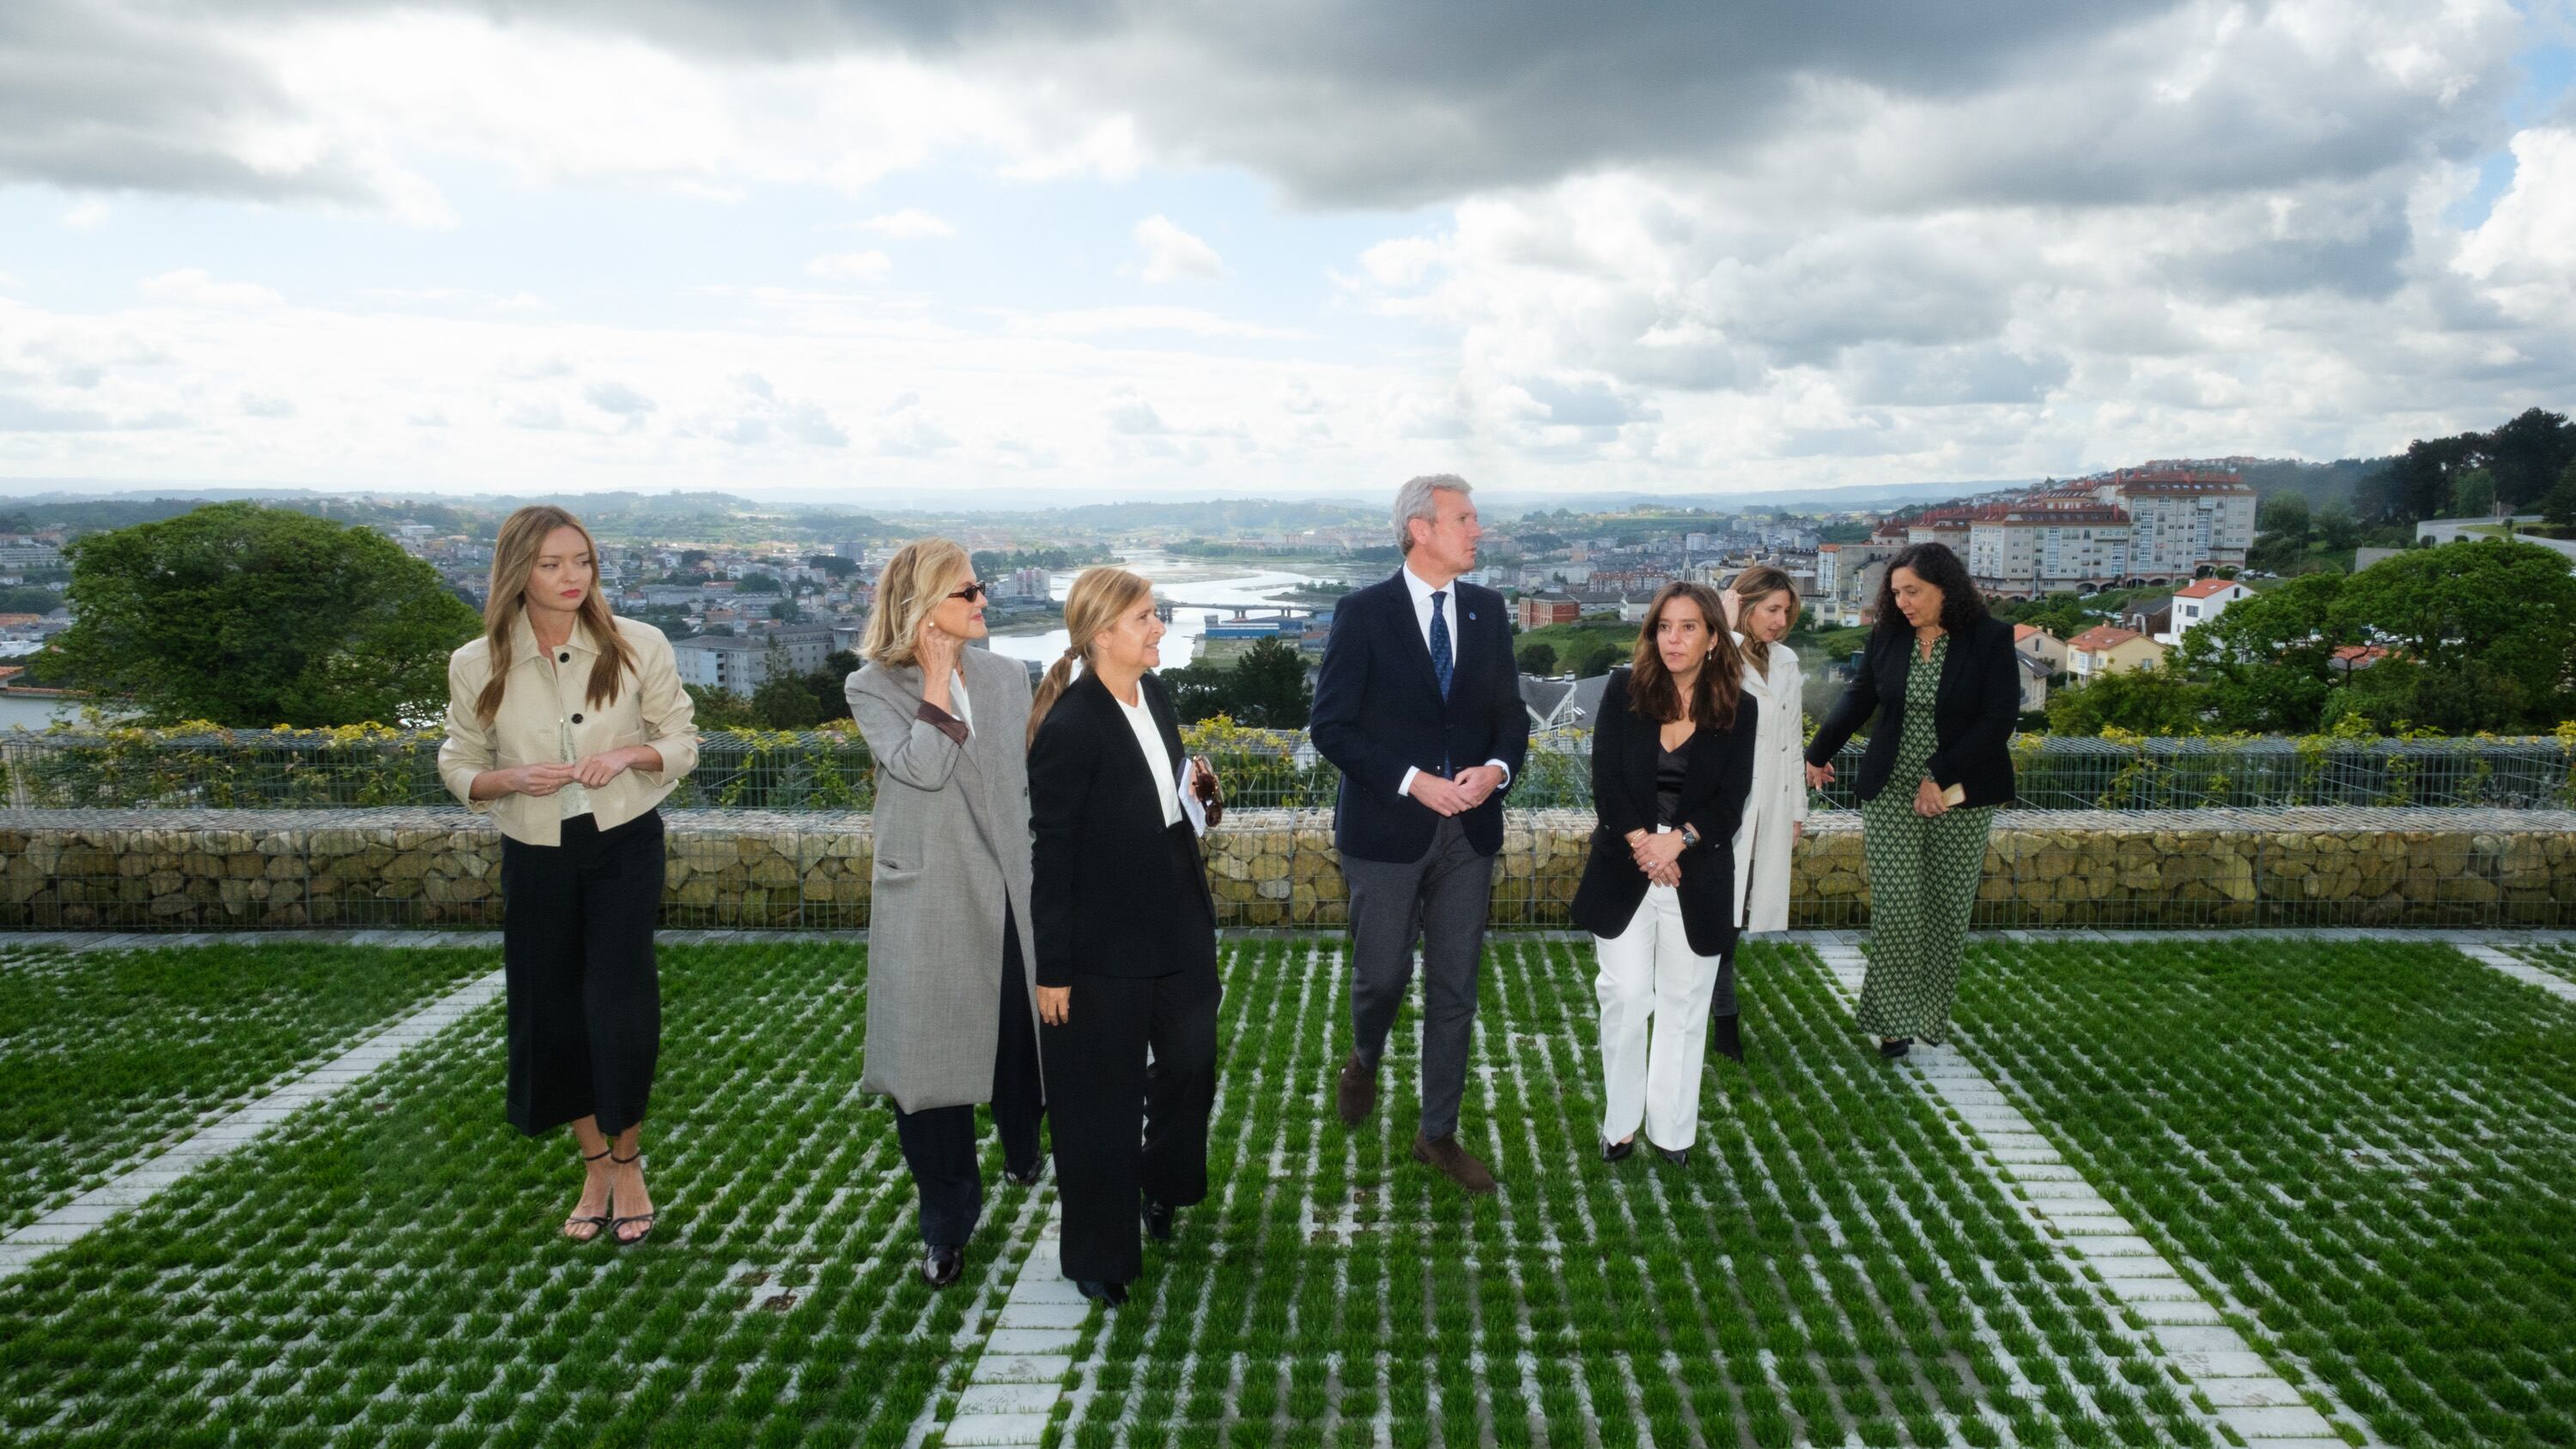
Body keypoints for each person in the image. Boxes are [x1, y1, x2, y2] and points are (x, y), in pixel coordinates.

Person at [439, 504, 699, 1246]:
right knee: (551, 1008)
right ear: (518, 571)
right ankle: (593, 1165)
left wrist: (627, 755)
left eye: (581, 560)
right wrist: (507, 779)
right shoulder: (475, 661)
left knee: (619, 1005)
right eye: (552, 564)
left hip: (624, 842)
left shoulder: (638, 644)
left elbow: (680, 737)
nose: (570, 577)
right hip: (534, 846)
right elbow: (458, 758)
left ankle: (629, 1161)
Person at [1309, 473, 1529, 1194]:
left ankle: (1437, 1133)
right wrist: (1411, 779)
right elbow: (1330, 726)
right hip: (1385, 831)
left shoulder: (1490, 611)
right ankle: (1364, 1057)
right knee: (1382, 977)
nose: (1478, 530)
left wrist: (1495, 769)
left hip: (1469, 834)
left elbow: (1510, 716)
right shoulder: (1362, 612)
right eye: (1465, 518)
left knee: (1454, 987)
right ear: (1421, 529)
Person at [846, 539, 1045, 1288]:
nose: (983, 601)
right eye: (968, 592)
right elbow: (923, 769)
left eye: (981, 587)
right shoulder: (871, 687)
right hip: (928, 890)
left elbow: (1019, 779)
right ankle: (947, 1222)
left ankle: (1024, 1148)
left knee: (1016, 1037)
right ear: (925, 604)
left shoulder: (1005, 676)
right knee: (930, 1073)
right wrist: (934, 680)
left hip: (1007, 883)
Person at [1027, 568, 1224, 1306]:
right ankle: (1097, 1251)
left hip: (1177, 923)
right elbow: (1052, 856)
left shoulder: (1159, 696)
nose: (1159, 628)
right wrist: (1054, 969)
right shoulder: (1070, 728)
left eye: (1156, 615)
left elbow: (1163, 800)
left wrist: (1199, 796)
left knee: (1191, 1063)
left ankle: (1162, 1182)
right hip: (1100, 946)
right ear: (1103, 632)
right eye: (1145, 617)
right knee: (1095, 1104)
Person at [1802, 542, 2018, 1058]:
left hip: (1962, 792)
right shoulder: (1889, 637)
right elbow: (1859, 698)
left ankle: (1928, 1015)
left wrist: (1937, 776)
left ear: (1947, 587)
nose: (1902, 602)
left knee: (1945, 910)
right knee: (1899, 908)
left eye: (1913, 591)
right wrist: (1817, 752)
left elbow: (1998, 721)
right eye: (1896, 592)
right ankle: (1894, 1022)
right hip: (1890, 790)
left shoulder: (1990, 639)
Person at [1570, 584, 1759, 1166]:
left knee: (1685, 999)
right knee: (1626, 994)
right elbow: (1606, 782)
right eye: (1664, 626)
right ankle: (1620, 1123)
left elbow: (1732, 799)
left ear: (1712, 639)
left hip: (1695, 868)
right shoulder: (1624, 691)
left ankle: (1672, 1131)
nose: (1673, 639)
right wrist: (1645, 845)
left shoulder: (1739, 706)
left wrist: (1678, 841)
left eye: (1688, 627)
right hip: (1625, 865)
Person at [1716, 564, 1810, 1062]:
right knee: (1718, 920)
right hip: (1723, 805)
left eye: (1786, 611)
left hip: (1771, 802)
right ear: (1745, 605)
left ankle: (1719, 1017)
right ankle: (1724, 1023)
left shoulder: (1788, 661)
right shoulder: (1716, 651)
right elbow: (1706, 698)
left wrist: (1797, 809)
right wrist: (1725, 631)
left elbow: (1793, 739)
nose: (1780, 620)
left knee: (1734, 916)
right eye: (1772, 609)